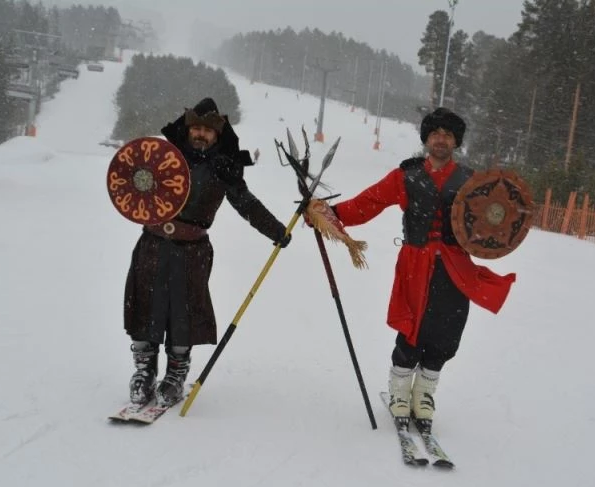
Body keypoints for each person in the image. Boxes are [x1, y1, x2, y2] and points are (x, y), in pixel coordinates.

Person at [310, 107, 516, 432]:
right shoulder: (406, 176)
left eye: (447, 135)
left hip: (456, 267)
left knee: (446, 331)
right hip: (415, 264)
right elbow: (368, 203)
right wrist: (328, 214)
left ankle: (424, 395)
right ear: (426, 139)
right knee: (412, 326)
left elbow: (494, 222)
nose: (441, 140)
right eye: (435, 134)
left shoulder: (471, 181)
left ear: (456, 142)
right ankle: (399, 391)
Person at [123, 97, 292, 407]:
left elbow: (246, 203)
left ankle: (175, 376)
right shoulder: (165, 157)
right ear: (188, 129)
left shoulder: (224, 167)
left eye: (207, 130)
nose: (200, 134)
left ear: (217, 134)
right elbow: (133, 181)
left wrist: (275, 230)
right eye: (196, 128)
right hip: (152, 244)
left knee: (183, 313)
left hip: (192, 250)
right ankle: (144, 372)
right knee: (146, 306)